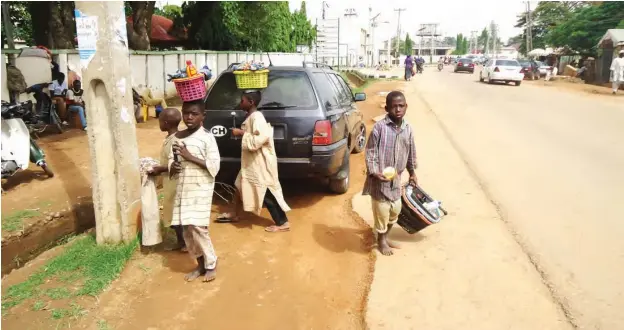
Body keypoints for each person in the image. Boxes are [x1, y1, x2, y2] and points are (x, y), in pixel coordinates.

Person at [218, 91, 292, 233]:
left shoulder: (257, 117)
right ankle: (234, 213)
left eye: (242, 100)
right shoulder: (252, 117)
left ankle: (282, 222)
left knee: (265, 192)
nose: (240, 103)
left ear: (251, 102)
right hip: (250, 163)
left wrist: (240, 133)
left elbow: (258, 141)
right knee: (239, 185)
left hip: (259, 162)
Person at [169, 100, 221, 282]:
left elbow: (214, 166)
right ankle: (199, 264)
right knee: (187, 230)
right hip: (184, 188)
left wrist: (190, 157)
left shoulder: (207, 138)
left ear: (202, 117)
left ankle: (211, 264)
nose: (189, 117)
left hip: (201, 188)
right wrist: (173, 166)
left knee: (198, 227)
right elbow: (171, 162)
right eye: (186, 113)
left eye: (194, 114)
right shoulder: (177, 137)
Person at [363, 91, 417, 256]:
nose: (398, 109)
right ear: (387, 108)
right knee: (382, 213)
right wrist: (374, 172)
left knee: (395, 211)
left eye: (401, 106)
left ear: (406, 107)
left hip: (396, 181)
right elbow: (371, 151)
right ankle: (381, 241)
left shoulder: (408, 129)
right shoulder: (380, 127)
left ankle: (385, 236)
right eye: (394, 107)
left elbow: (411, 152)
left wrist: (412, 172)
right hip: (380, 182)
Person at [148, 108, 186, 252]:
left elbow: (177, 164)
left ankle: (184, 243)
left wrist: (159, 169)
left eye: (159, 120)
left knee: (175, 213)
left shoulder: (175, 140)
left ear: (165, 123)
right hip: (170, 181)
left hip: (175, 182)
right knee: (172, 212)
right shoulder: (172, 138)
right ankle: (181, 242)